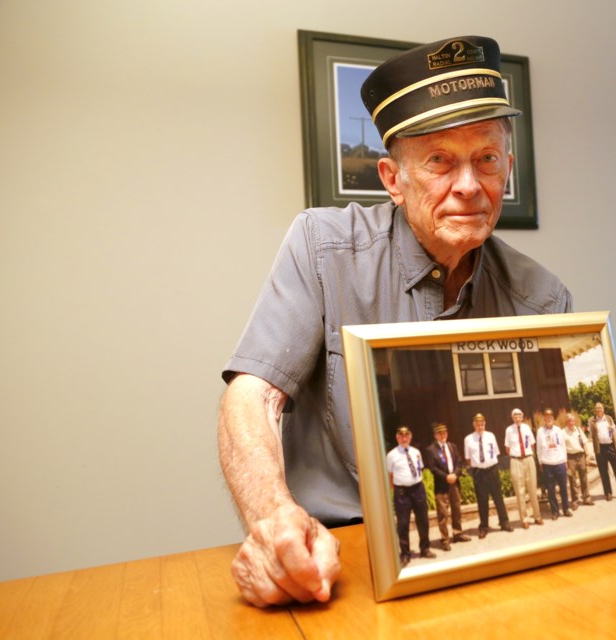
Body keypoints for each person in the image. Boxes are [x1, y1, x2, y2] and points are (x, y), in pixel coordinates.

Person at [217, 35, 571, 606]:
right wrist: (274, 518)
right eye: (439, 161)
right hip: (343, 556)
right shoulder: (321, 247)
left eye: (487, 159)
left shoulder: (543, 296)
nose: (469, 185)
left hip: (491, 551)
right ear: (391, 180)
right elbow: (252, 396)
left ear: (507, 167)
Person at [386, 426, 435, 566]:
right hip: (402, 493)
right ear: (397, 437)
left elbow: (420, 469)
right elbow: (390, 475)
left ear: (410, 436)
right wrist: (397, 489)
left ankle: (425, 549)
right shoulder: (391, 455)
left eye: (406, 435)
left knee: (423, 520)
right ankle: (405, 554)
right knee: (402, 523)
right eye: (401, 436)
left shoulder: (416, 452)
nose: (404, 438)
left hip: (418, 489)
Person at [463, 413, 512, 538]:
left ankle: (504, 522)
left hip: (492, 470)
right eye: (478, 425)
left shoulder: (491, 436)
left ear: (485, 424)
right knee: (482, 500)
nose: (480, 427)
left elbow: (495, 453)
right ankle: (484, 526)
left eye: (482, 424)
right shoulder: (468, 439)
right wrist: (479, 465)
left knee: (498, 498)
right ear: (474, 425)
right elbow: (468, 459)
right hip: (479, 473)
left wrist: (488, 464)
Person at [424, 422, 471, 551]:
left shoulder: (453, 446)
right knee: (443, 513)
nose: (442, 435)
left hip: (454, 482)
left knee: (456, 509)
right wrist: (446, 477)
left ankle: (457, 533)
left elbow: (459, 463)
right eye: (440, 433)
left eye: (444, 432)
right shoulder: (430, 450)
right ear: (435, 435)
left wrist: (455, 475)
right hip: (441, 485)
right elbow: (433, 468)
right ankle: (445, 539)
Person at [504, 408, 543, 528]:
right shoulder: (509, 430)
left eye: (519, 415)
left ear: (522, 416)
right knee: (519, 491)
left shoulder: (526, 427)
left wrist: (527, 454)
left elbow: (532, 443)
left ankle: (537, 516)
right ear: (512, 417)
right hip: (516, 461)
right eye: (515, 415)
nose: (517, 417)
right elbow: (507, 448)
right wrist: (516, 456)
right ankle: (524, 519)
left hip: (528, 459)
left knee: (532, 488)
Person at [588, 402, 616, 501]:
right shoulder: (592, 420)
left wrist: (613, 429)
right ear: (595, 410)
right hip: (600, 449)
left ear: (603, 409)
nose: (599, 410)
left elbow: (615, 432)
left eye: (600, 408)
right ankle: (608, 493)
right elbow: (591, 434)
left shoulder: (609, 418)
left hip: (611, 447)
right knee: (603, 472)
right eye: (597, 408)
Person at [536, 409, 572, 519]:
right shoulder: (540, 431)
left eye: (550, 417)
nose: (548, 419)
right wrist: (540, 462)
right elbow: (538, 449)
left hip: (560, 462)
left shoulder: (558, 430)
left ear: (553, 419)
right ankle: (555, 511)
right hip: (547, 464)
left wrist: (565, 461)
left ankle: (566, 509)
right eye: (546, 418)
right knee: (550, 489)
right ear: (544, 419)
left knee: (563, 488)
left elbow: (563, 446)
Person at [562, 413, 593, 508]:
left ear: (575, 421)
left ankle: (586, 498)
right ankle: (575, 501)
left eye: (573, 421)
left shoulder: (579, 430)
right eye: (569, 421)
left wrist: (587, 456)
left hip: (581, 456)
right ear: (566, 422)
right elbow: (562, 448)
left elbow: (585, 443)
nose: (571, 423)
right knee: (572, 480)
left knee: (584, 477)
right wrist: (565, 461)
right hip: (570, 458)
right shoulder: (563, 432)